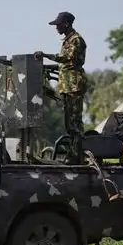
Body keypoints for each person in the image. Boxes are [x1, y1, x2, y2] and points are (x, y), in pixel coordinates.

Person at [34, 11, 87, 164]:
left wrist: (46, 55)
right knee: (69, 124)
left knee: (75, 124)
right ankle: (73, 155)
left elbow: (68, 58)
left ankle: (76, 157)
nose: (56, 27)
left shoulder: (76, 40)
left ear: (66, 24)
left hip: (74, 86)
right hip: (68, 86)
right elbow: (65, 64)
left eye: (58, 25)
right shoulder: (68, 40)